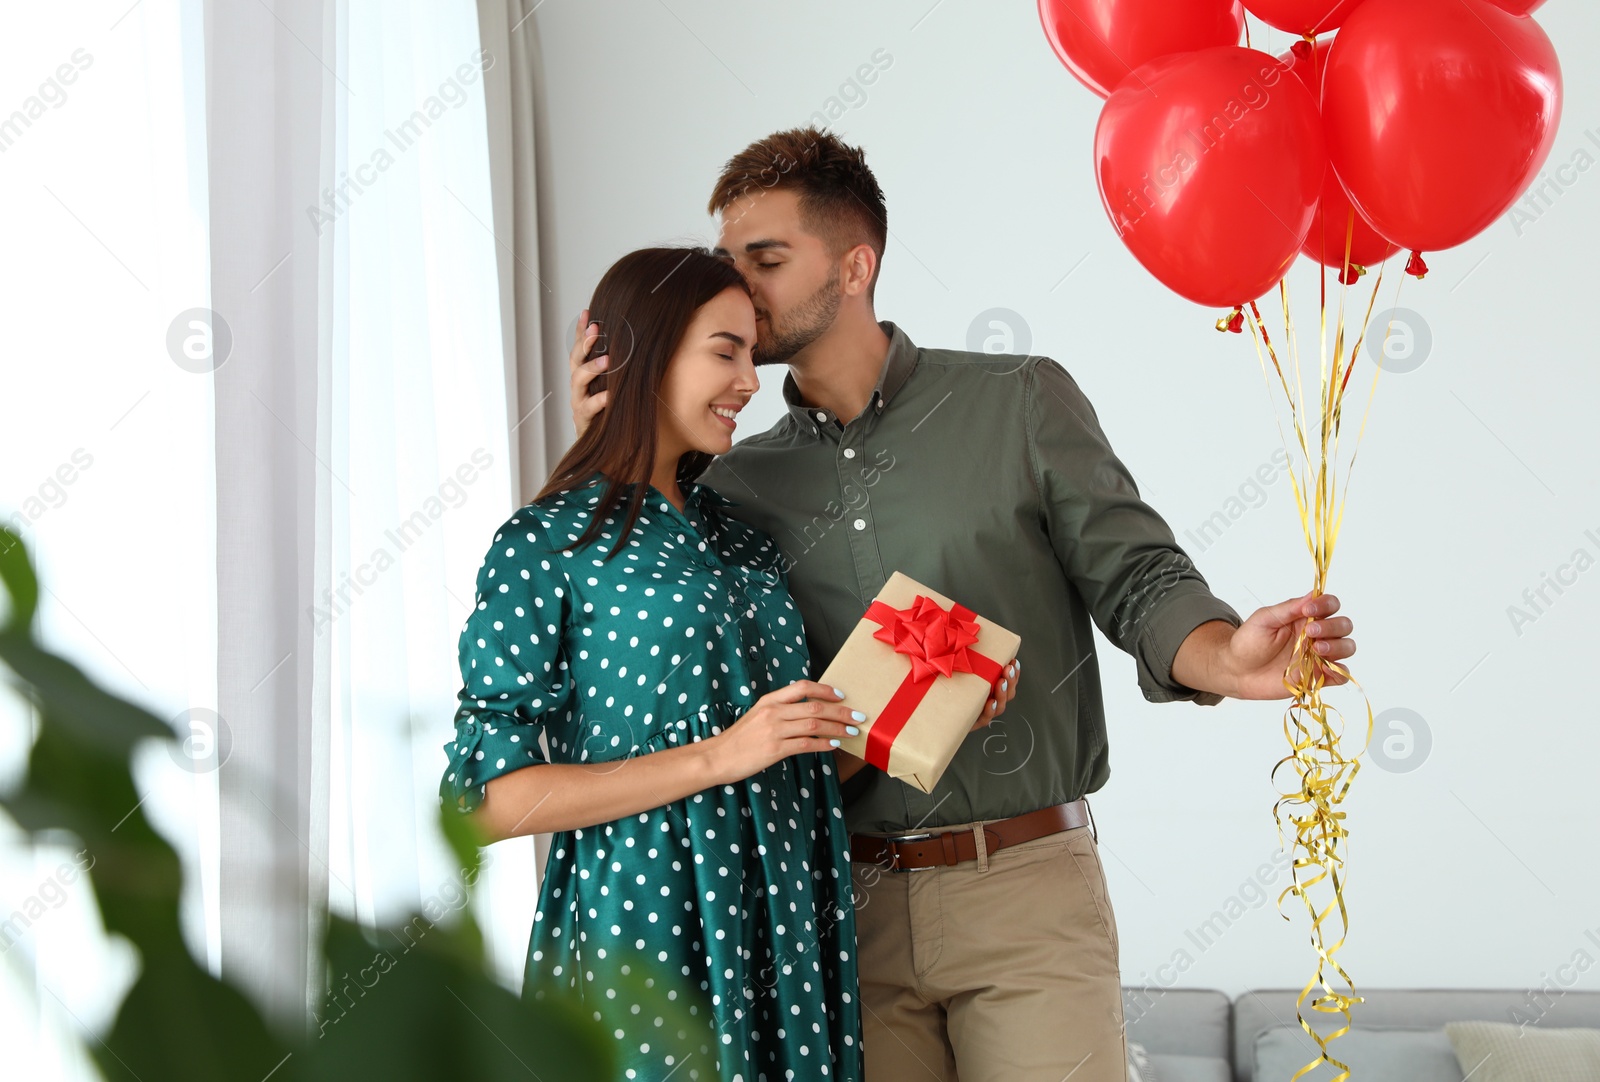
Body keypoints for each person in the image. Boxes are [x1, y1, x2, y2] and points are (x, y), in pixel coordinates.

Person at [567, 128, 1358, 1082]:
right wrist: (609, 437)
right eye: (730, 260)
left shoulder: (1019, 400)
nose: (738, 286)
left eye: (765, 259)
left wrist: (1224, 655)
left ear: (856, 265)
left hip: (1024, 890)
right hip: (839, 905)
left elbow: (1139, 576)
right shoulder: (731, 483)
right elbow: (634, 626)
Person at [441, 246, 880, 1081]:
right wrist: (721, 754)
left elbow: (786, 763)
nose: (751, 382)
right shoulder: (546, 545)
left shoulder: (739, 534)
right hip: (645, 934)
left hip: (782, 930)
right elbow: (483, 804)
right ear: (640, 354)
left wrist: (939, 701)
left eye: (751, 352)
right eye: (726, 351)